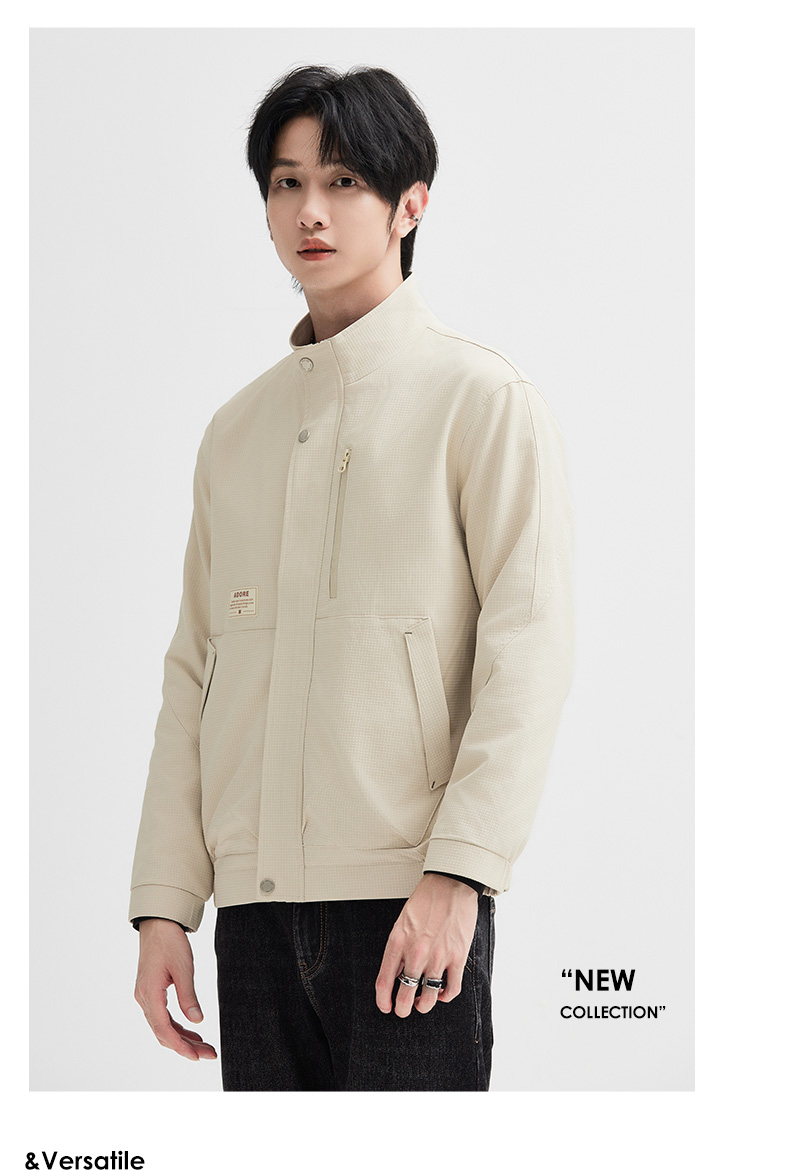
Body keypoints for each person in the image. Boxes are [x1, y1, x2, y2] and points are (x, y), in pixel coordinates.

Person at [130, 63, 575, 1091]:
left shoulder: (481, 401)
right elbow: (194, 672)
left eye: (342, 181)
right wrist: (164, 903)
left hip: (408, 904)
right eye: (286, 183)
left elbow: (530, 655)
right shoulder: (235, 432)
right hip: (250, 917)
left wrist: (459, 873)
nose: (310, 212)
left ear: (410, 204)